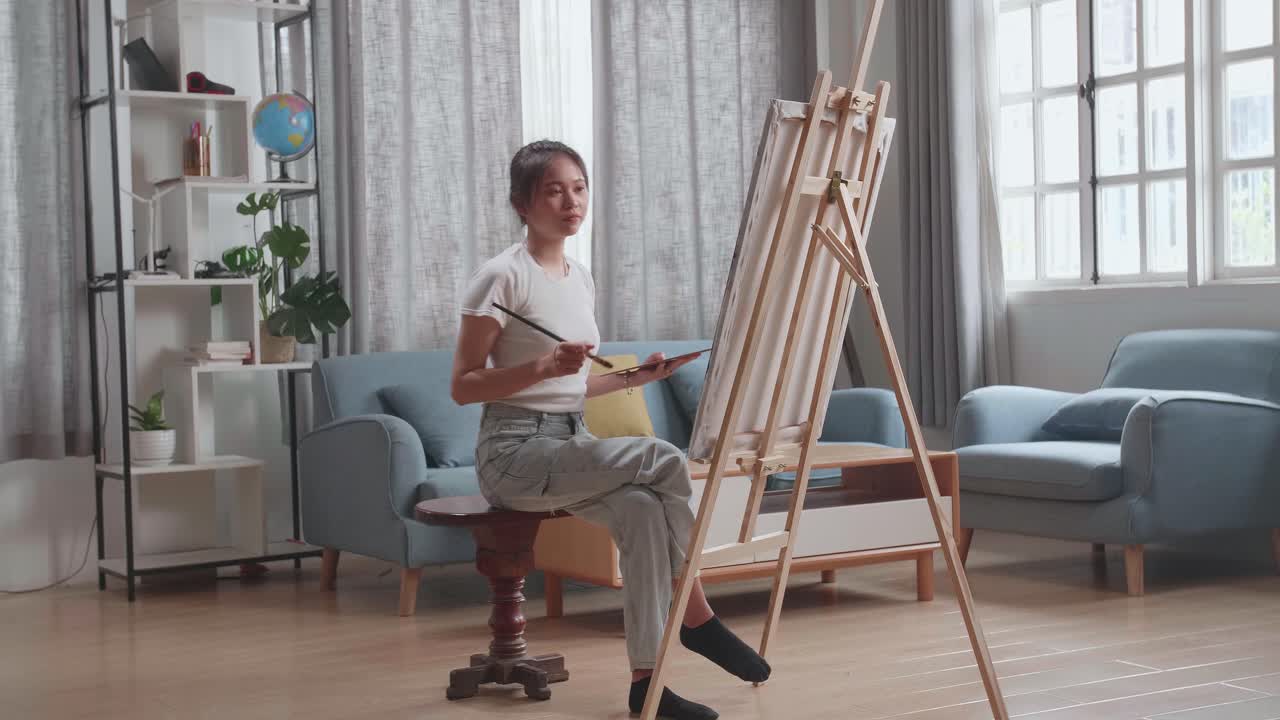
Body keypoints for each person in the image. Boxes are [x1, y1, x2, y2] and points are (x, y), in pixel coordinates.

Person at [452, 140, 770, 719]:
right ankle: (697, 616)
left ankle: (647, 685)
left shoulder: (581, 277)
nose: (571, 201)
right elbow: (464, 385)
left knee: (646, 512)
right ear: (522, 203)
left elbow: (571, 389)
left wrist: (637, 379)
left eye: (579, 187)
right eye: (553, 190)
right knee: (666, 459)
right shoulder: (499, 278)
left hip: (568, 441)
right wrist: (542, 365)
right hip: (513, 453)